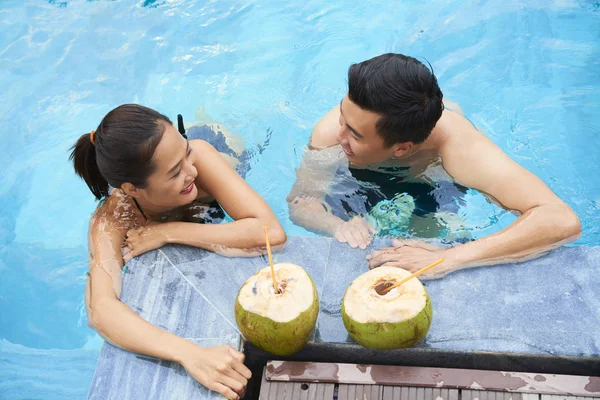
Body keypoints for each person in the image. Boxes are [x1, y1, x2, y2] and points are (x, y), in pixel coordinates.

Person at [287, 53, 580, 279]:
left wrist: (452, 257)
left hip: (431, 179)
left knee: (440, 234)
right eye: (343, 115)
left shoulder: (460, 148)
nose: (339, 137)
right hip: (359, 174)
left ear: (402, 148)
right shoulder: (329, 134)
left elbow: (560, 219)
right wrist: (335, 225)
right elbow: (302, 204)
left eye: (355, 134)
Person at [71, 104, 286, 400]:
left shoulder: (200, 157)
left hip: (223, 148)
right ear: (131, 189)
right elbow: (102, 311)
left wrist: (168, 232)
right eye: (175, 174)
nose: (192, 171)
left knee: (216, 141)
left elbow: (271, 233)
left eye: (185, 156)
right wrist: (188, 354)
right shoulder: (112, 219)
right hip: (165, 167)